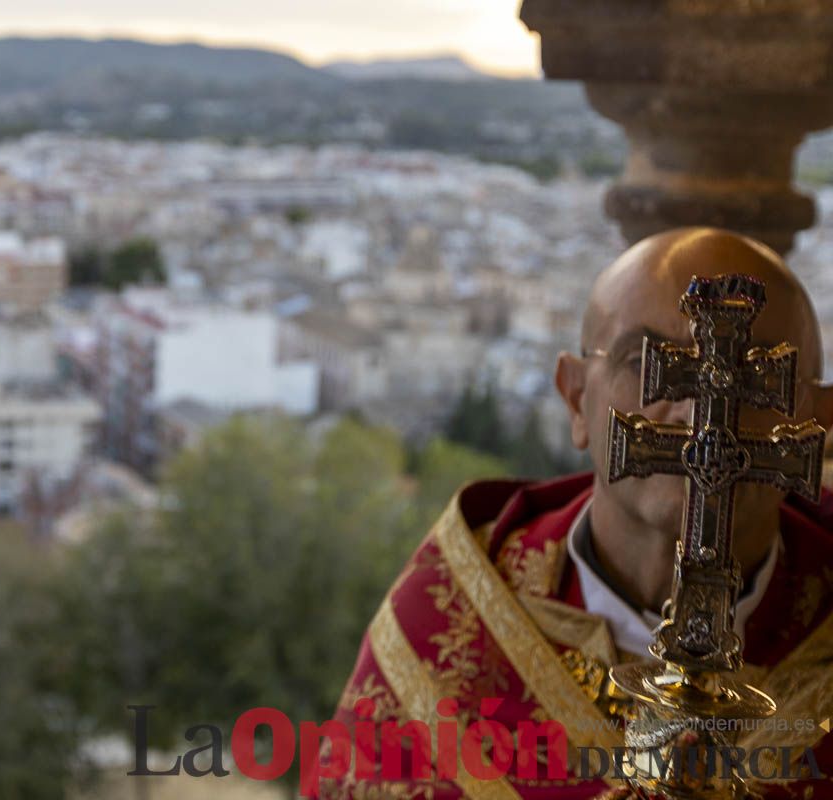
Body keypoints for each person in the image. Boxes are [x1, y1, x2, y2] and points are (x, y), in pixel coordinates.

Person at [317, 228, 833, 799]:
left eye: (755, 374)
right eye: (646, 362)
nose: (699, 416)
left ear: (821, 422)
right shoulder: (449, 623)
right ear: (575, 398)